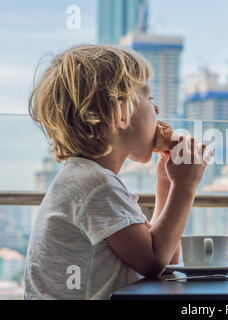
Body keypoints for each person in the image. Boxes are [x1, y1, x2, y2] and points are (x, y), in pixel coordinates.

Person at [24, 45, 210, 299]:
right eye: (148, 98)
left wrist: (165, 184)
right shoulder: (96, 185)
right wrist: (186, 187)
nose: (156, 111)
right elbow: (153, 262)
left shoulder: (90, 180)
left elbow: (165, 255)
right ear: (118, 111)